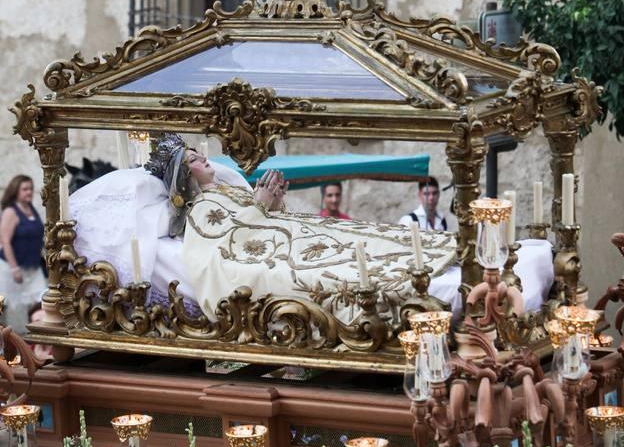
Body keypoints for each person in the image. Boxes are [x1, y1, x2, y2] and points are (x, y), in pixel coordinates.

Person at [69, 135, 456, 326]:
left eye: (200, 154)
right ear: (184, 176)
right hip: (279, 255)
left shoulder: (226, 188)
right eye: (194, 159)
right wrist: (260, 207)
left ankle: (415, 252)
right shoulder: (201, 205)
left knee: (361, 237)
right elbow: (230, 245)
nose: (204, 158)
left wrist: (269, 205)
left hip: (299, 235)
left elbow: (268, 225)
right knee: (343, 263)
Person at [0, 175, 46, 334]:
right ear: (15, 191)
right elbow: (5, 241)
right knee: (14, 308)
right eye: (25, 189)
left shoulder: (31, 209)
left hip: (33, 268)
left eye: (31, 189)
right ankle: (16, 345)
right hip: (11, 269)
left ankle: (38, 340)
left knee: (43, 300)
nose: (29, 192)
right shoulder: (10, 212)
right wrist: (14, 269)